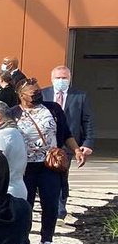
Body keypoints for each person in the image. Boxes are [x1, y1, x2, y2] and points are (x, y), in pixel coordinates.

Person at [13, 78, 86, 244]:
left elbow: (66, 132)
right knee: (25, 205)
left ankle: (46, 240)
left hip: (49, 164)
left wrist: (76, 149)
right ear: (21, 95)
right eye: (33, 93)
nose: (37, 95)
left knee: (51, 203)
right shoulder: (13, 113)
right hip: (25, 167)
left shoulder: (52, 109)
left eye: (39, 92)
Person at [41, 66, 94, 218]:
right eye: (58, 78)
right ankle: (47, 206)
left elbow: (87, 121)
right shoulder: (43, 94)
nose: (61, 81)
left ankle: (59, 210)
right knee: (45, 176)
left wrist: (87, 143)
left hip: (69, 144)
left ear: (69, 79)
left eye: (64, 78)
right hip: (46, 143)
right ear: (52, 79)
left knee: (61, 175)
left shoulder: (80, 96)